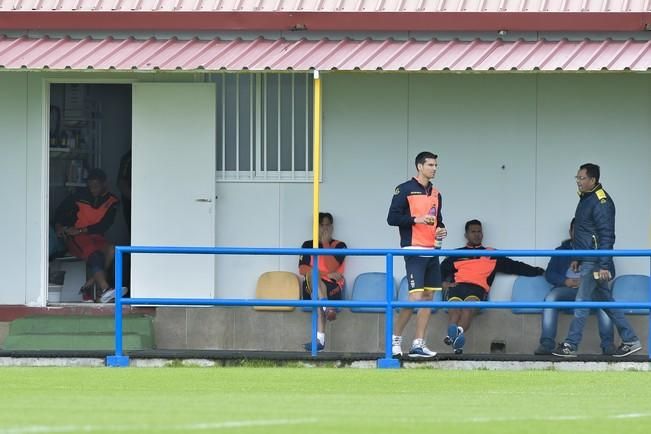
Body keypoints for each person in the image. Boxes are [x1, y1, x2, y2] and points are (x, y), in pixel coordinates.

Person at [553, 163, 642, 358]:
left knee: (582, 300)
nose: (578, 181)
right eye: (577, 178)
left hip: (595, 260)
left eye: (581, 178)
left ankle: (571, 344)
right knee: (607, 302)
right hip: (588, 258)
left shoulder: (601, 202)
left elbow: (606, 235)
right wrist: (576, 256)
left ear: (593, 180)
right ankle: (631, 339)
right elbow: (584, 233)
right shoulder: (586, 198)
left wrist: (603, 265)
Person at [440, 219, 544, 354]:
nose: (477, 234)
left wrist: (539, 271)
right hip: (458, 286)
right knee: (454, 310)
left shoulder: (492, 254)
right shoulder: (456, 254)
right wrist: (444, 284)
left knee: (467, 308)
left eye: (479, 231)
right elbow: (439, 272)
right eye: (473, 232)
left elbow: (516, 266)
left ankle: (454, 335)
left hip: (477, 289)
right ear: (466, 235)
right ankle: (454, 335)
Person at [387, 151, 447, 358]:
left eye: (436, 165)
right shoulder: (404, 189)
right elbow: (392, 218)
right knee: (414, 298)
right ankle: (395, 340)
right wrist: (416, 220)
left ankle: (418, 343)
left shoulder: (437, 193)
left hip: (433, 250)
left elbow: (438, 219)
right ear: (419, 167)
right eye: (431, 165)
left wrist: (441, 229)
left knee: (429, 297)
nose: (434, 168)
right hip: (413, 249)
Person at [534, 219, 615, 355]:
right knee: (551, 297)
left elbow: (610, 272)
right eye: (575, 231)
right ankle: (547, 343)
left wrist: (588, 280)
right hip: (568, 290)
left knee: (604, 301)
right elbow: (550, 274)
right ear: (570, 232)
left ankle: (608, 345)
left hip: (591, 290)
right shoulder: (561, 251)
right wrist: (566, 281)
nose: (579, 234)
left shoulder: (600, 250)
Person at [53, 168, 123, 303]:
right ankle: (105, 288)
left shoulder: (112, 201)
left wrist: (82, 230)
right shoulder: (78, 196)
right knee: (95, 255)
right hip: (75, 237)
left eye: (96, 186)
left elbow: (104, 225)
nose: (92, 189)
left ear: (104, 184)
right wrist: (60, 227)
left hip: (94, 235)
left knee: (112, 250)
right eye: (90, 186)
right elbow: (60, 213)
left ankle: (90, 284)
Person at [299, 212, 347, 352]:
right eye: (321, 225)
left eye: (327, 225)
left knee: (319, 295)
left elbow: (333, 266)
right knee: (312, 276)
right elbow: (303, 269)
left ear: (332, 227)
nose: (324, 228)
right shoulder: (308, 245)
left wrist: (326, 243)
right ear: (316, 227)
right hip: (313, 284)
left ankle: (320, 340)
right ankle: (327, 307)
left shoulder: (339, 245)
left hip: (333, 286)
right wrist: (326, 274)